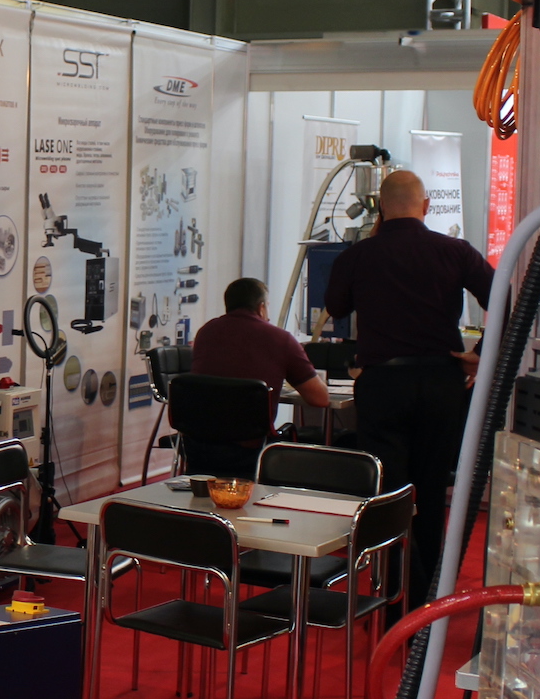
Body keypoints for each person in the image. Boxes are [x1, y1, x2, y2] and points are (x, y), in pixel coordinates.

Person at [324, 170, 494, 606]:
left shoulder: (359, 255)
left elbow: (336, 306)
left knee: (388, 492)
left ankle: (393, 593)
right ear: (426, 207)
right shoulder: (455, 250)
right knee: (432, 489)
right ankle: (428, 597)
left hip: (383, 383)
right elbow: (507, 299)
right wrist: (481, 352)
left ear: (381, 208)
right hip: (441, 382)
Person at [190, 278, 330, 438]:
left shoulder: (205, 333)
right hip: (252, 442)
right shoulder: (280, 339)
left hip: (200, 439)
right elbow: (320, 398)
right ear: (261, 308)